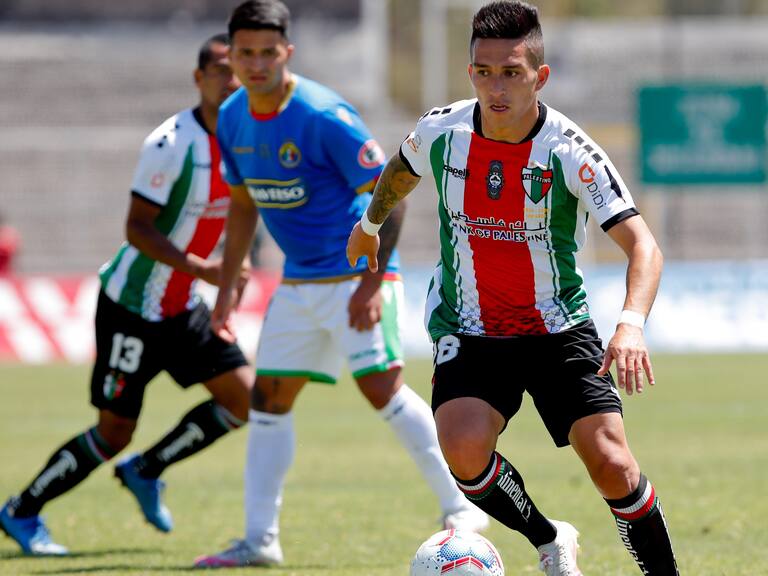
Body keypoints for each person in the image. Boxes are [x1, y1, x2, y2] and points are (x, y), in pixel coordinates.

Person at [347, 2, 679, 575]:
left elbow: (643, 246)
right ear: (469, 70)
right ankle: (550, 540)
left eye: (512, 72)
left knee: (613, 465)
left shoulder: (570, 151)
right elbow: (400, 169)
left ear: (540, 76)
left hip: (557, 329)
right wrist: (369, 225)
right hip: (469, 325)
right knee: (464, 454)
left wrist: (629, 323)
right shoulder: (441, 129)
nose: (495, 87)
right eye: (483, 71)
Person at [193, 0, 489, 568]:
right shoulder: (231, 116)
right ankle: (261, 542)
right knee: (268, 399)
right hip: (299, 281)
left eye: (267, 53)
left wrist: (369, 285)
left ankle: (462, 506)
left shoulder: (322, 114)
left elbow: (390, 193)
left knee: (380, 387)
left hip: (355, 275)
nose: (256, 64)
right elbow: (240, 205)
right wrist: (229, 285)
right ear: (232, 55)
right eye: (245, 53)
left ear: (287, 53)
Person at [0, 34, 253, 556]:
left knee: (244, 399)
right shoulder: (171, 142)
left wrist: (227, 275)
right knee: (113, 432)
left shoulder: (248, 139)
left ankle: (147, 468)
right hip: (133, 307)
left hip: (185, 306)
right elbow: (137, 228)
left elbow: (239, 216)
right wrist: (199, 267)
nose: (231, 81)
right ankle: (21, 510)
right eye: (221, 70)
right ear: (199, 78)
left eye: (239, 70)